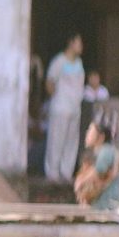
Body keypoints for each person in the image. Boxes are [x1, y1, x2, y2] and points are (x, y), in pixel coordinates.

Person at [44, 35, 86, 184]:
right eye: (79, 43)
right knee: (56, 139)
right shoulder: (59, 61)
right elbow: (49, 82)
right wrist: (58, 97)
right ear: (71, 42)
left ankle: (66, 172)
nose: (81, 46)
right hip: (61, 107)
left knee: (71, 141)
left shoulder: (79, 63)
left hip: (75, 108)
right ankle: (53, 172)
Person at [76, 117, 119, 209]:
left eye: (91, 131)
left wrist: (81, 182)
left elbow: (99, 171)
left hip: (105, 202)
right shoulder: (98, 152)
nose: (87, 134)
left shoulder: (106, 151)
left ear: (101, 137)